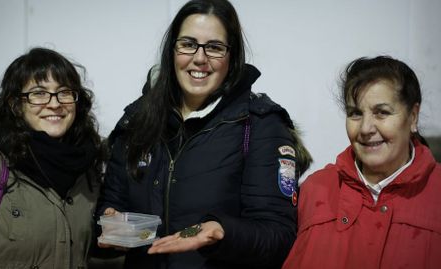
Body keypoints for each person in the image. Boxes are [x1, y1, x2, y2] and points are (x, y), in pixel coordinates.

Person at [95, 0, 312, 268]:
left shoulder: (260, 125)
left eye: (214, 47)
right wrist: (109, 220)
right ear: (172, 50)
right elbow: (110, 205)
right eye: (188, 44)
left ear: (232, 57)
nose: (199, 58)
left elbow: (278, 235)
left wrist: (222, 231)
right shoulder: (137, 120)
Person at [282, 56, 441, 269]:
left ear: (413, 117)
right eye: (355, 114)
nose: (366, 128)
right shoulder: (313, 191)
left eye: (382, 113)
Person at [0, 47, 105, 268]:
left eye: (64, 92)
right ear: (16, 105)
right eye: (39, 93)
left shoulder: (87, 170)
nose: (55, 103)